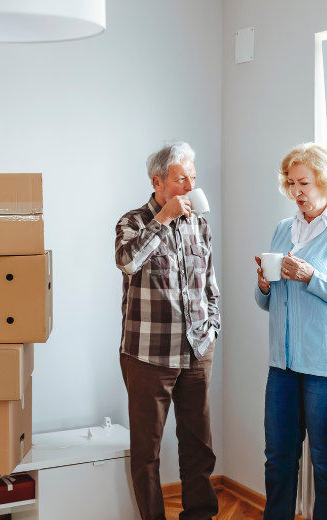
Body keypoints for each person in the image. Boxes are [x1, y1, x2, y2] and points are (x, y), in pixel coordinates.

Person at [254, 142, 327, 520]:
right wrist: (263, 287)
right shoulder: (282, 230)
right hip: (285, 364)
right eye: (290, 184)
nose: (296, 192)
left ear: (326, 180)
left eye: (303, 183)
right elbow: (268, 305)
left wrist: (311, 277)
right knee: (278, 460)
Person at [116, 140, 221, 520]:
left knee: (199, 444)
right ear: (158, 182)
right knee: (147, 451)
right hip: (148, 356)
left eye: (193, 178)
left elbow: (210, 283)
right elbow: (127, 262)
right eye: (181, 179)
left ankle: (200, 516)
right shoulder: (132, 222)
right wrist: (162, 220)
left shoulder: (200, 225)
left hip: (196, 350)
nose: (190, 187)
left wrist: (212, 329)